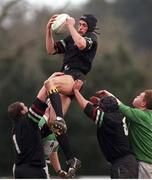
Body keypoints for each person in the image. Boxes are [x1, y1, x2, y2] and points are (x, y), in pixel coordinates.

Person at [73, 80, 138, 178]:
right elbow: (109, 108)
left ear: (104, 110)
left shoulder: (108, 120)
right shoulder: (118, 116)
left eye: (99, 107)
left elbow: (86, 107)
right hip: (127, 163)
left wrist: (76, 91)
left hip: (123, 164)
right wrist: (99, 103)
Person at [45, 13, 98, 133]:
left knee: (50, 83)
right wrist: (48, 30)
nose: (80, 27)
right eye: (79, 24)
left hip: (75, 77)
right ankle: (67, 153)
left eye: (84, 25)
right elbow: (51, 50)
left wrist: (70, 26)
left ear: (90, 27)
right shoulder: (71, 39)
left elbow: (81, 44)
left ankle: (59, 118)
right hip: (65, 76)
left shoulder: (92, 38)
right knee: (53, 125)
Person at [96, 89, 152, 179]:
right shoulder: (146, 115)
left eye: (139, 96)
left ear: (143, 103)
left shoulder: (140, 115)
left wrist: (109, 95)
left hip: (145, 164)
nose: (137, 96)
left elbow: (120, 106)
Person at [8, 85, 48, 178]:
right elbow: (40, 100)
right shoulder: (27, 121)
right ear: (22, 112)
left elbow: (34, 137)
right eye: (24, 106)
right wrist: (48, 84)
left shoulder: (15, 129)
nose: (27, 107)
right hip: (33, 171)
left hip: (19, 170)